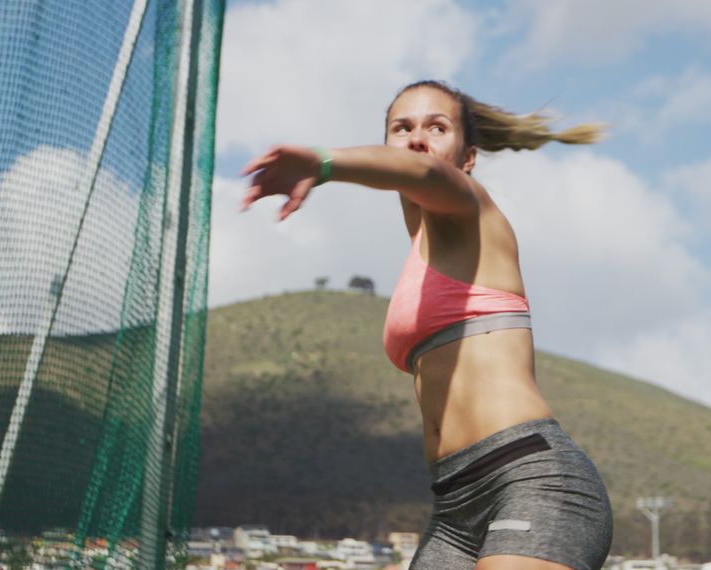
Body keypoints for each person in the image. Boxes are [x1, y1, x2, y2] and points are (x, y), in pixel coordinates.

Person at [241, 80, 613, 570]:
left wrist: (322, 162)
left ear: (468, 157)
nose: (417, 139)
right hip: (454, 508)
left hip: (531, 480)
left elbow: (420, 170)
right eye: (403, 128)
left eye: (437, 128)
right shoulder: (418, 258)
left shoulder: (470, 207)